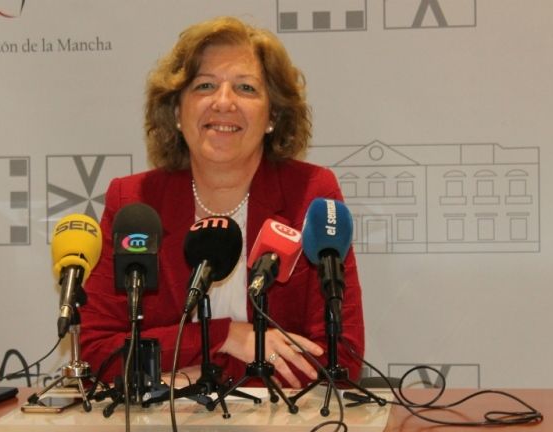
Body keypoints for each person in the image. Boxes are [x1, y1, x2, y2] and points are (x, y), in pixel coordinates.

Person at [80, 16, 364, 390]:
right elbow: (97, 352)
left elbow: (339, 356)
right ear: (177, 112)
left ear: (273, 115)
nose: (224, 102)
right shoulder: (135, 203)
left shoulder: (310, 194)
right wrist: (226, 337)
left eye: (246, 88)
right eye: (205, 85)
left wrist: (199, 377)